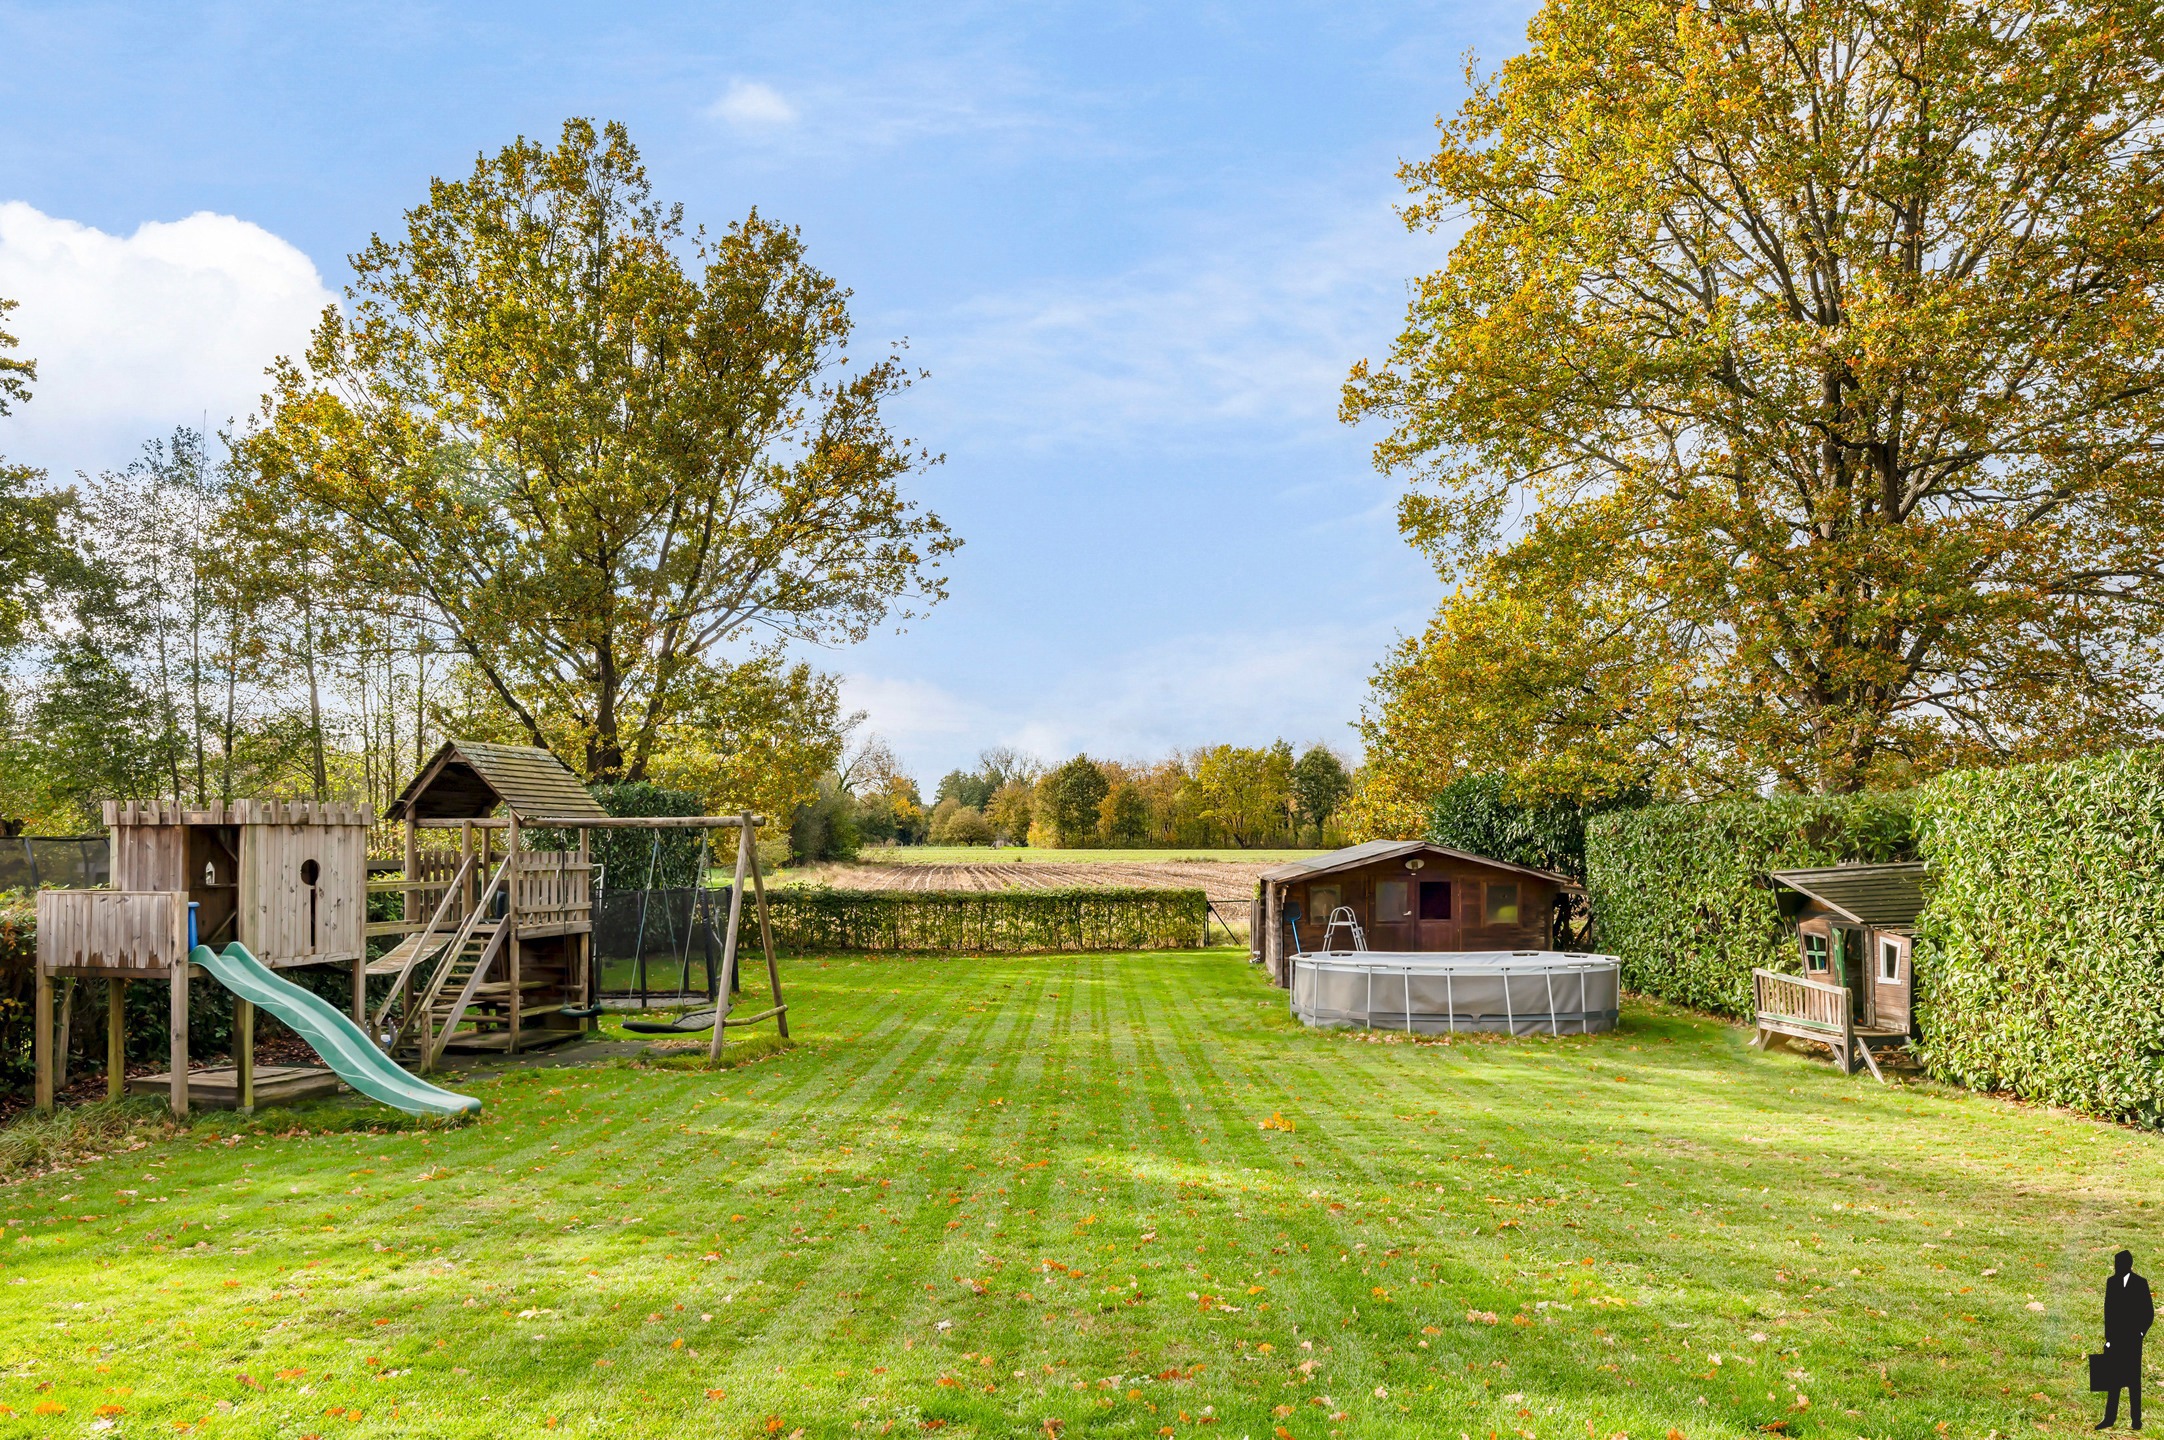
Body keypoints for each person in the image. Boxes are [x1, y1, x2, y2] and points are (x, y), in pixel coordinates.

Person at [2101, 1249, 2154, 1430]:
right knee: (2113, 1380)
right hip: (2115, 1339)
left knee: (2133, 1381)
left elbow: (2148, 1312)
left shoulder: (2140, 1283)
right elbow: (2108, 1312)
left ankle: (2136, 1420)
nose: (2117, 1267)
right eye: (2116, 1264)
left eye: (2120, 1264)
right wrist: (2108, 1338)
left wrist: (2140, 1333)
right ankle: (2109, 1418)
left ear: (2128, 1265)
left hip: (2132, 1339)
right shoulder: (2112, 1282)